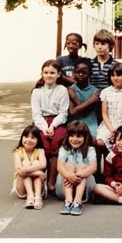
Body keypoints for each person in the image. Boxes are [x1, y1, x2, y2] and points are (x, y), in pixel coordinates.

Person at [31, 59, 69, 194]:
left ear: (58, 74)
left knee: (56, 144)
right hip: (41, 122)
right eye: (46, 72)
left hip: (57, 122)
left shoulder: (62, 90)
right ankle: (39, 180)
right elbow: (36, 114)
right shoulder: (37, 92)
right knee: (43, 144)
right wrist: (43, 127)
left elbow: (64, 113)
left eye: (52, 73)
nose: (49, 75)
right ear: (42, 74)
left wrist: (52, 126)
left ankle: (51, 182)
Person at [56, 121, 97, 216]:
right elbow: (59, 166)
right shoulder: (64, 148)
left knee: (82, 166)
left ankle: (77, 202)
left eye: (79, 136)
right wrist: (69, 176)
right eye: (72, 136)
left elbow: (93, 168)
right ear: (67, 136)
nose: (75, 139)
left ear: (85, 137)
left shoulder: (90, 150)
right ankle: (68, 201)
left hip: (84, 187)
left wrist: (78, 176)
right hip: (65, 185)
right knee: (68, 165)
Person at [96, 63, 122, 152]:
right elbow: (104, 113)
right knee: (100, 142)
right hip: (109, 124)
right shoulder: (105, 92)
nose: (115, 78)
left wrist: (119, 130)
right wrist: (112, 129)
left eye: (119, 75)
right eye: (113, 76)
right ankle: (108, 160)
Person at [11, 125, 47, 210]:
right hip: (22, 188)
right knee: (25, 163)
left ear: (38, 140)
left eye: (33, 138)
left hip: (37, 188)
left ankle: (38, 197)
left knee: (36, 162)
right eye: (26, 137)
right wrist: (39, 173)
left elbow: (43, 165)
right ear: (22, 138)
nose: (29, 140)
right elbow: (19, 170)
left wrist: (26, 170)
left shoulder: (40, 151)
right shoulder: (18, 152)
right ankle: (30, 196)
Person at [67, 58, 100, 139]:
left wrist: (74, 98)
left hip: (90, 123)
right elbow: (72, 111)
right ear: (74, 72)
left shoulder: (95, 91)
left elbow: (85, 112)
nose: (80, 75)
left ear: (90, 73)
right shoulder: (70, 90)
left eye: (84, 72)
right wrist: (90, 101)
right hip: (74, 123)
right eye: (78, 72)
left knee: (92, 139)